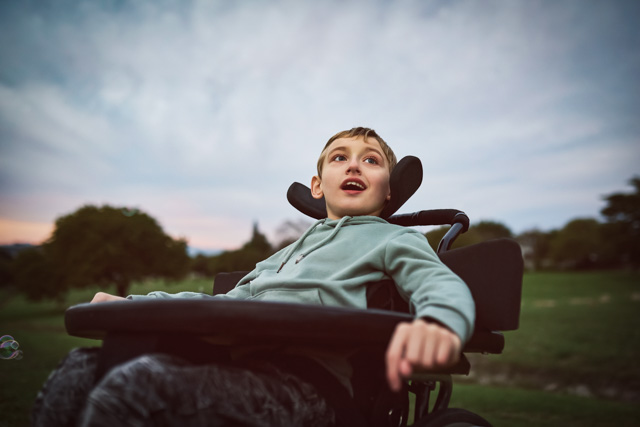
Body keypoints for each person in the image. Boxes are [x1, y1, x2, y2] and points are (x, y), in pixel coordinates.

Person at [32, 127, 474, 427]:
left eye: (371, 161)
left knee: (142, 384)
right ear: (318, 186)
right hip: (239, 362)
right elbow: (225, 304)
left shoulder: (392, 240)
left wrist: (439, 322)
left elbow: (439, 283)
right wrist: (136, 306)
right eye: (339, 158)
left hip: (309, 384)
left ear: (390, 190)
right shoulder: (284, 256)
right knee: (80, 367)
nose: (354, 166)